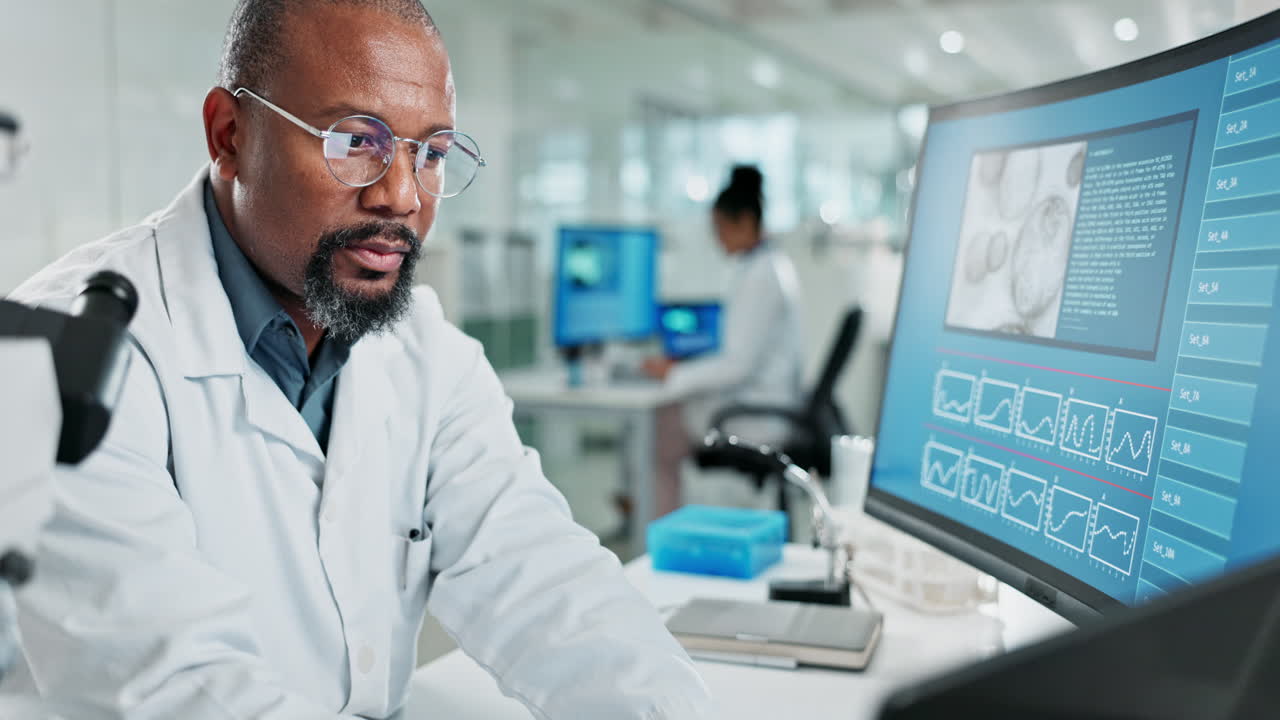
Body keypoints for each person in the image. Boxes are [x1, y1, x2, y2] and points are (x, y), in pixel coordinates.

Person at [2, 1, 711, 718]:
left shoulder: (427, 353)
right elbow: (175, 689)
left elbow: (548, 585)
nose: (402, 195)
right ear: (229, 135)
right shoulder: (72, 358)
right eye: (355, 141)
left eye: (431, 153)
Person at [643, 166, 805, 512]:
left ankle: (657, 530)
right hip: (762, 400)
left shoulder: (762, 275)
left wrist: (675, 377)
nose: (717, 240)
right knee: (669, 415)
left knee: (660, 429)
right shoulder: (764, 265)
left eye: (720, 229)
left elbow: (736, 366)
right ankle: (657, 519)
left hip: (757, 414)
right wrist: (684, 369)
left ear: (745, 222)